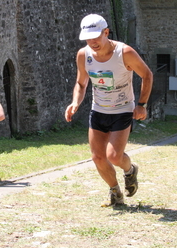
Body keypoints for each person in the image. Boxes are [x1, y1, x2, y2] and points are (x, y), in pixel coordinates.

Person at [64, 14, 153, 207]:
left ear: (106, 32)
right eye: (88, 38)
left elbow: (147, 75)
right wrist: (75, 103)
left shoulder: (125, 53)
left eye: (96, 36)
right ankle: (115, 192)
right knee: (97, 157)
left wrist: (142, 105)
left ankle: (130, 171)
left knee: (114, 156)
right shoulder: (83, 55)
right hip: (99, 110)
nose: (92, 42)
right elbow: (81, 82)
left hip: (122, 110)